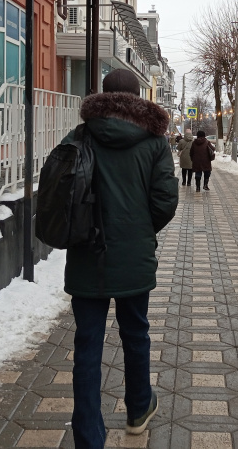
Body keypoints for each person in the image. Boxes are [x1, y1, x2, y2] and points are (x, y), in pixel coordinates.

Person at [61, 68, 178, 448]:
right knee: (136, 333)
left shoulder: (80, 136)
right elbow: (165, 202)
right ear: (139, 98)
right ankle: (139, 409)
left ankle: (88, 438)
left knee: (87, 346)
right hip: (133, 257)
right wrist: (139, 232)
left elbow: (62, 195)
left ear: (102, 97)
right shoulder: (155, 142)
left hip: (86, 257)